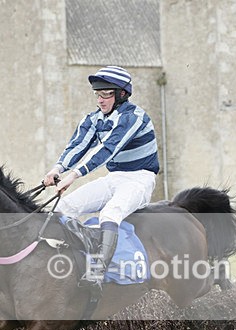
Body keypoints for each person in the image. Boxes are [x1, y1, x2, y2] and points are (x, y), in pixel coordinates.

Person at [42, 66, 159, 291]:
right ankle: (75, 259)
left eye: (106, 94)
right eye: (97, 94)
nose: (100, 100)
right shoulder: (94, 118)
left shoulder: (134, 117)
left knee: (110, 213)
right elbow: (78, 145)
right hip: (114, 178)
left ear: (121, 94)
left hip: (139, 179)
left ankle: (97, 273)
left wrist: (73, 175)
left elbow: (107, 150)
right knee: (63, 208)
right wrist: (57, 169)